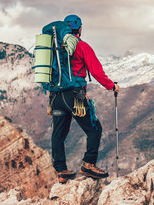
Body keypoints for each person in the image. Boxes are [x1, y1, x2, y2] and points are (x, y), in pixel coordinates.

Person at [50, 14, 120, 183]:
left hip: (55, 97)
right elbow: (96, 72)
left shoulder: (55, 48)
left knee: (59, 134)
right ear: (79, 29)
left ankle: (61, 171)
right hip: (75, 96)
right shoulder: (82, 46)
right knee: (94, 129)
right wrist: (112, 86)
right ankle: (88, 164)